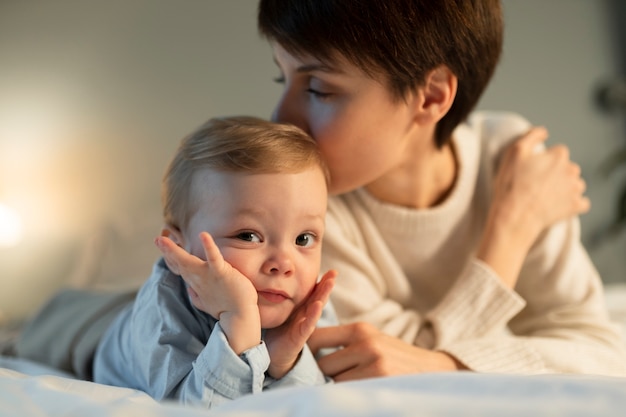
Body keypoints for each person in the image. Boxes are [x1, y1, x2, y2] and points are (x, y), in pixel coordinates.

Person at [251, 0, 626, 378]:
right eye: (283, 79)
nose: (280, 119)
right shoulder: (303, 215)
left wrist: (443, 364)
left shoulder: (508, 159)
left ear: (431, 96)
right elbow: (372, 366)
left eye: (317, 88)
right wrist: (511, 231)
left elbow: (601, 350)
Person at [92, 115, 337, 407]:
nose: (284, 263)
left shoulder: (307, 303)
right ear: (178, 250)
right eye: (248, 236)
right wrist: (239, 322)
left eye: (303, 239)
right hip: (92, 331)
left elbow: (327, 401)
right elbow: (192, 408)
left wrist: (286, 364)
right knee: (49, 326)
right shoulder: (162, 312)